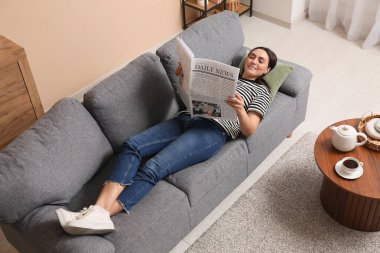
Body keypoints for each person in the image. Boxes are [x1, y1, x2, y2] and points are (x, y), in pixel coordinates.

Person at [56, 46, 277, 235]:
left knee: (154, 167)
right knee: (132, 145)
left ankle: (100, 213)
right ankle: (97, 214)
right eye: (252, 56)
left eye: (261, 60)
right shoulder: (225, 77)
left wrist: (239, 110)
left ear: (266, 70)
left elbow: (249, 129)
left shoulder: (261, 92)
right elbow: (193, 100)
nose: (254, 61)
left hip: (211, 131)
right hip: (187, 117)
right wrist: (184, 80)